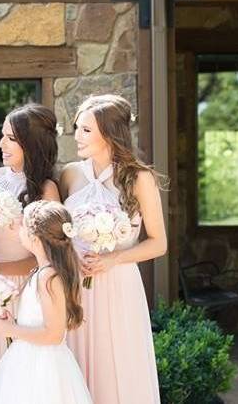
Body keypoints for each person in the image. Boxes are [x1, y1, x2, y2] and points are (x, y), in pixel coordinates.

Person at [61, 94, 166, 404]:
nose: (77, 136)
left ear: (108, 134)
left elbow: (158, 243)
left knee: (117, 364)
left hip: (118, 287)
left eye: (86, 130)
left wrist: (113, 258)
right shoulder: (70, 174)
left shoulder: (139, 178)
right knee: (75, 363)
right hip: (75, 285)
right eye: (77, 128)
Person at [0, 104, 60, 392]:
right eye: (2, 135)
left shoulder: (45, 191)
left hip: (23, 289)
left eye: (10, 137)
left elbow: (47, 259)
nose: (1, 143)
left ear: (30, 143)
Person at [0, 201, 91, 404]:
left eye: (23, 225)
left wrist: (12, 330)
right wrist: (15, 323)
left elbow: (53, 334)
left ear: (34, 238)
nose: (18, 229)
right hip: (27, 358)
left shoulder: (48, 277)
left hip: (42, 366)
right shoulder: (42, 272)